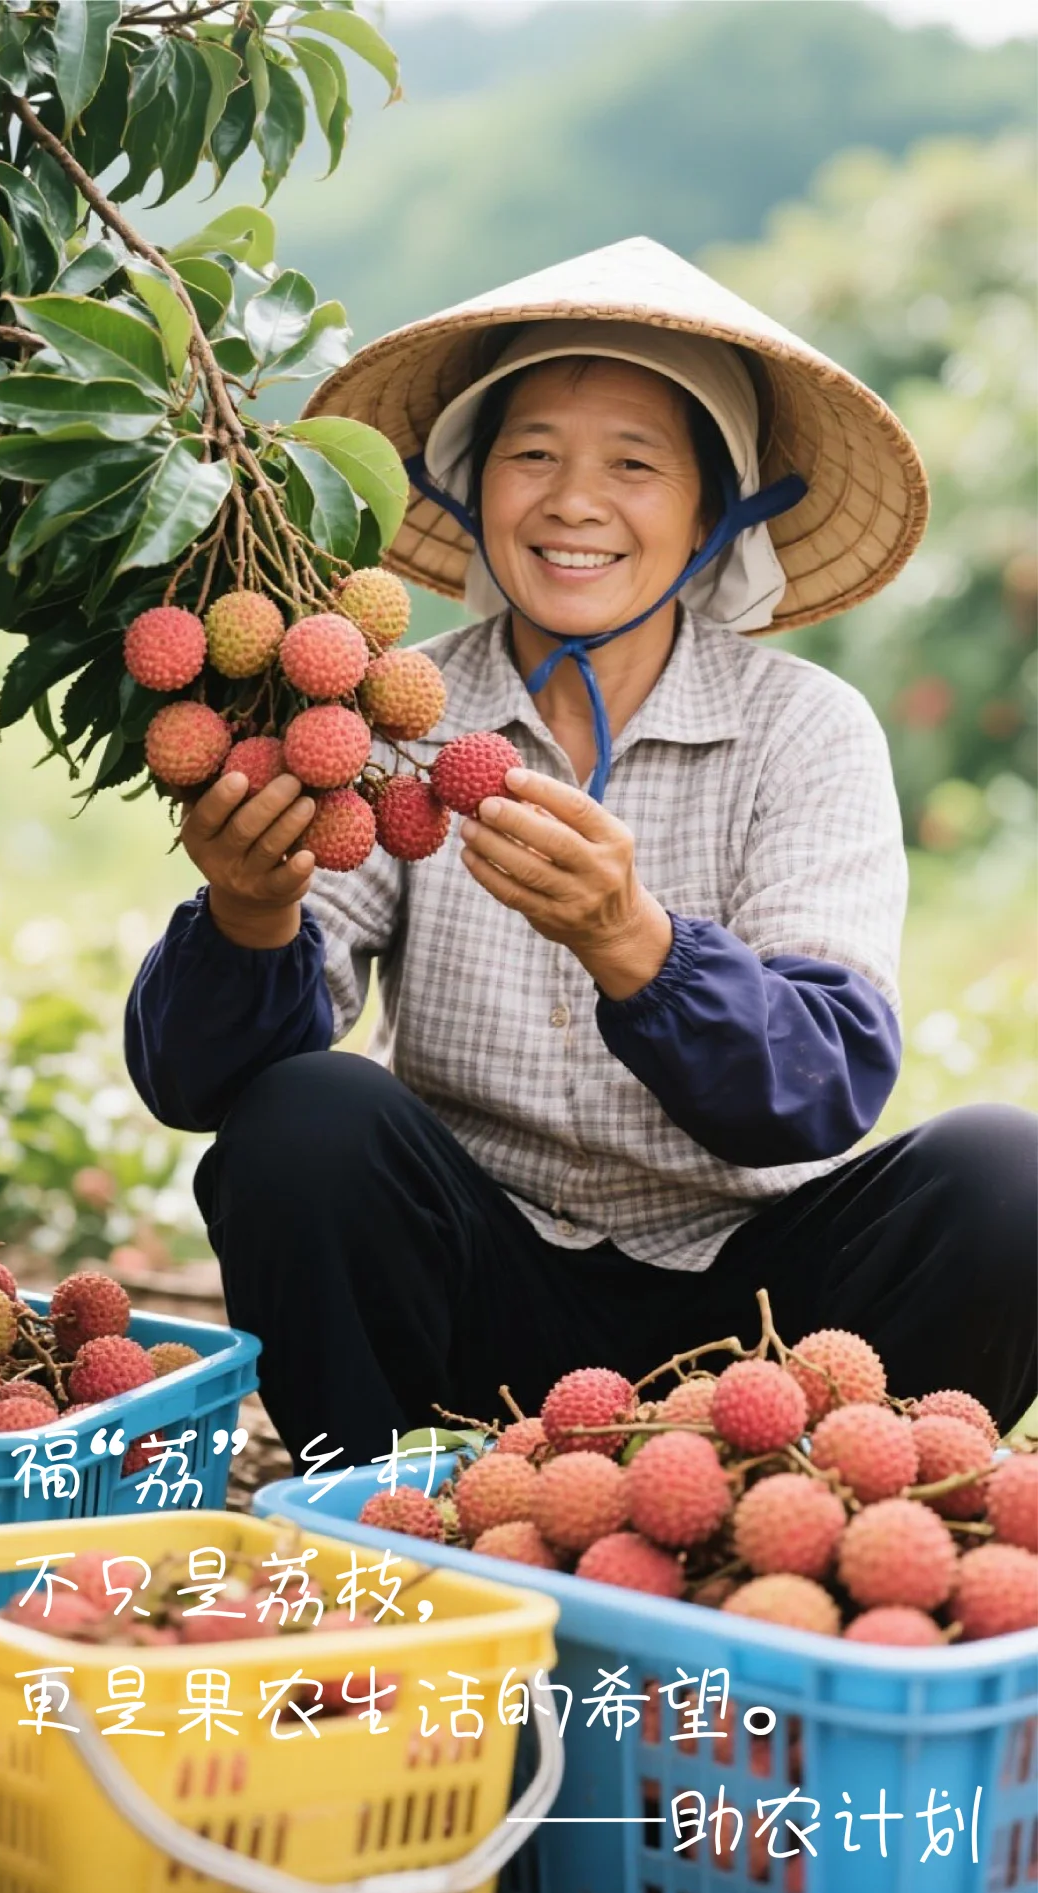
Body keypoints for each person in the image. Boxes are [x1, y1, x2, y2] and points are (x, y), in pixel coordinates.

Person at [125, 237, 1037, 1471]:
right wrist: (247, 912)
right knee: (307, 1114)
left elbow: (822, 1088)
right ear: (470, 485)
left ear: (713, 513)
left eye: (635, 464)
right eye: (532, 455)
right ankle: (380, 1513)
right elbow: (206, 1089)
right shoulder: (395, 720)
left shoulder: (803, 729)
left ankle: (823, 1502)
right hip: (472, 1299)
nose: (573, 501)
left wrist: (639, 949)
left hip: (755, 1330)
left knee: (1006, 1175)